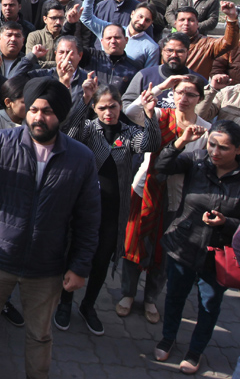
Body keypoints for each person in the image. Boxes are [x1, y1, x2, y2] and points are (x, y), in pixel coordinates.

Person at [0, 75, 100, 379]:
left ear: (61, 115)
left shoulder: (81, 159)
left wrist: (80, 266)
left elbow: (89, 218)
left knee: (40, 334)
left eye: (48, 112)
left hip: (47, 267)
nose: (38, 118)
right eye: (33, 109)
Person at [54, 82, 161, 335]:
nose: (108, 112)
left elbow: (151, 145)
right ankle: (65, 302)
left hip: (114, 210)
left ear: (120, 106)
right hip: (83, 205)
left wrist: (150, 114)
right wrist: (83, 100)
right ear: (95, 108)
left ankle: (89, 305)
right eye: (101, 107)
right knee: (75, 252)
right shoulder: (89, 129)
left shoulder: (128, 132)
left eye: (112, 106)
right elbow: (68, 134)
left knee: (102, 259)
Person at [120, 74, 211, 325]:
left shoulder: (205, 129)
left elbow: (202, 165)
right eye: (179, 92)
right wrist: (161, 86)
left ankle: (150, 298)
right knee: (134, 240)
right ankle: (127, 293)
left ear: (199, 98)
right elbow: (130, 112)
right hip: (144, 189)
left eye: (191, 94)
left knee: (166, 248)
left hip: (177, 199)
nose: (183, 98)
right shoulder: (159, 115)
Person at [152, 120, 240, 374]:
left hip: (219, 256)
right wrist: (181, 142)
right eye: (212, 144)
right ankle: (168, 338)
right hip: (184, 245)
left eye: (223, 148)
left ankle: (195, 351)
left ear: (237, 150)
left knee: (209, 305)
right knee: (175, 296)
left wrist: (227, 223)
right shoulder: (198, 161)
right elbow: (162, 166)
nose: (214, 151)